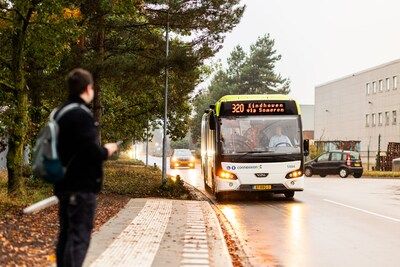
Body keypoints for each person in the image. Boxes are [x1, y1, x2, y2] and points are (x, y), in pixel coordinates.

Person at [54, 68, 118, 267]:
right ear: (88, 88)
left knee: (65, 235)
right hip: (80, 187)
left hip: (63, 184)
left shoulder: (59, 113)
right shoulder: (81, 115)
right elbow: (91, 153)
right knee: (79, 237)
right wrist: (107, 150)